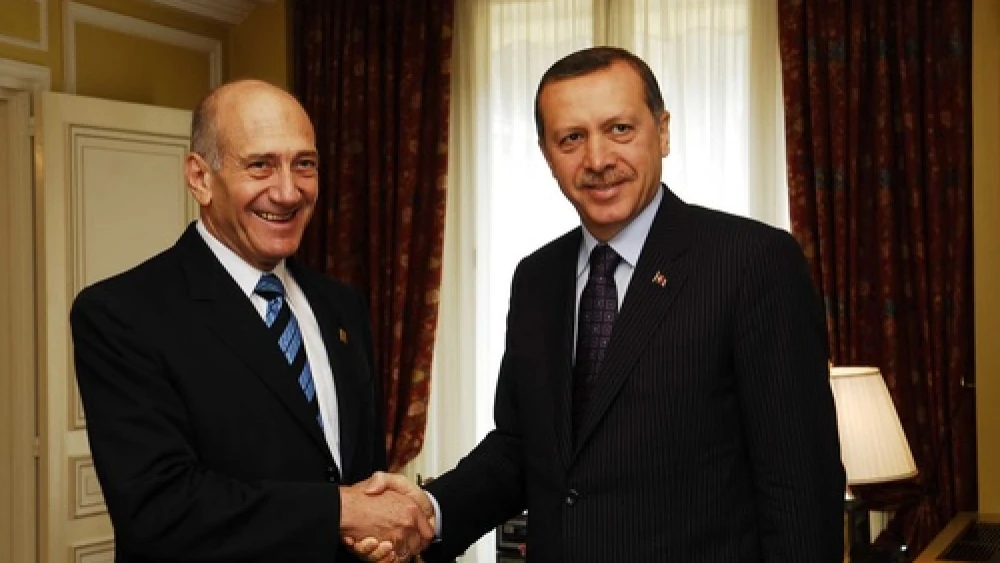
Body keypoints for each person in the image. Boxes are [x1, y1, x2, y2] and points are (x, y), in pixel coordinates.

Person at [367, 46, 846, 561]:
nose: (597, 160)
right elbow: (521, 449)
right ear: (547, 154)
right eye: (571, 138)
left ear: (662, 132)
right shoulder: (537, 279)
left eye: (620, 129)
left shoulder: (752, 262)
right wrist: (429, 511)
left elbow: (799, 489)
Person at [70, 80, 434, 563]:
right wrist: (338, 510)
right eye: (260, 165)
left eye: (304, 164)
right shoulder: (122, 314)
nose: (288, 192)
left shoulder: (340, 306)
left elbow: (359, 479)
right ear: (200, 178)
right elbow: (159, 510)